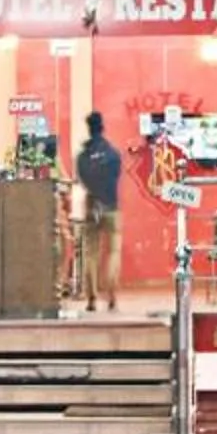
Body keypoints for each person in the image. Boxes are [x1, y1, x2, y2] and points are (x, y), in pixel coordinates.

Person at [75, 110, 123, 314]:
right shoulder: (113, 154)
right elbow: (115, 178)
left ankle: (92, 298)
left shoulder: (82, 157)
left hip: (91, 205)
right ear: (102, 127)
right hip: (111, 206)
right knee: (113, 251)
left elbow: (83, 181)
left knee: (90, 253)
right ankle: (111, 294)